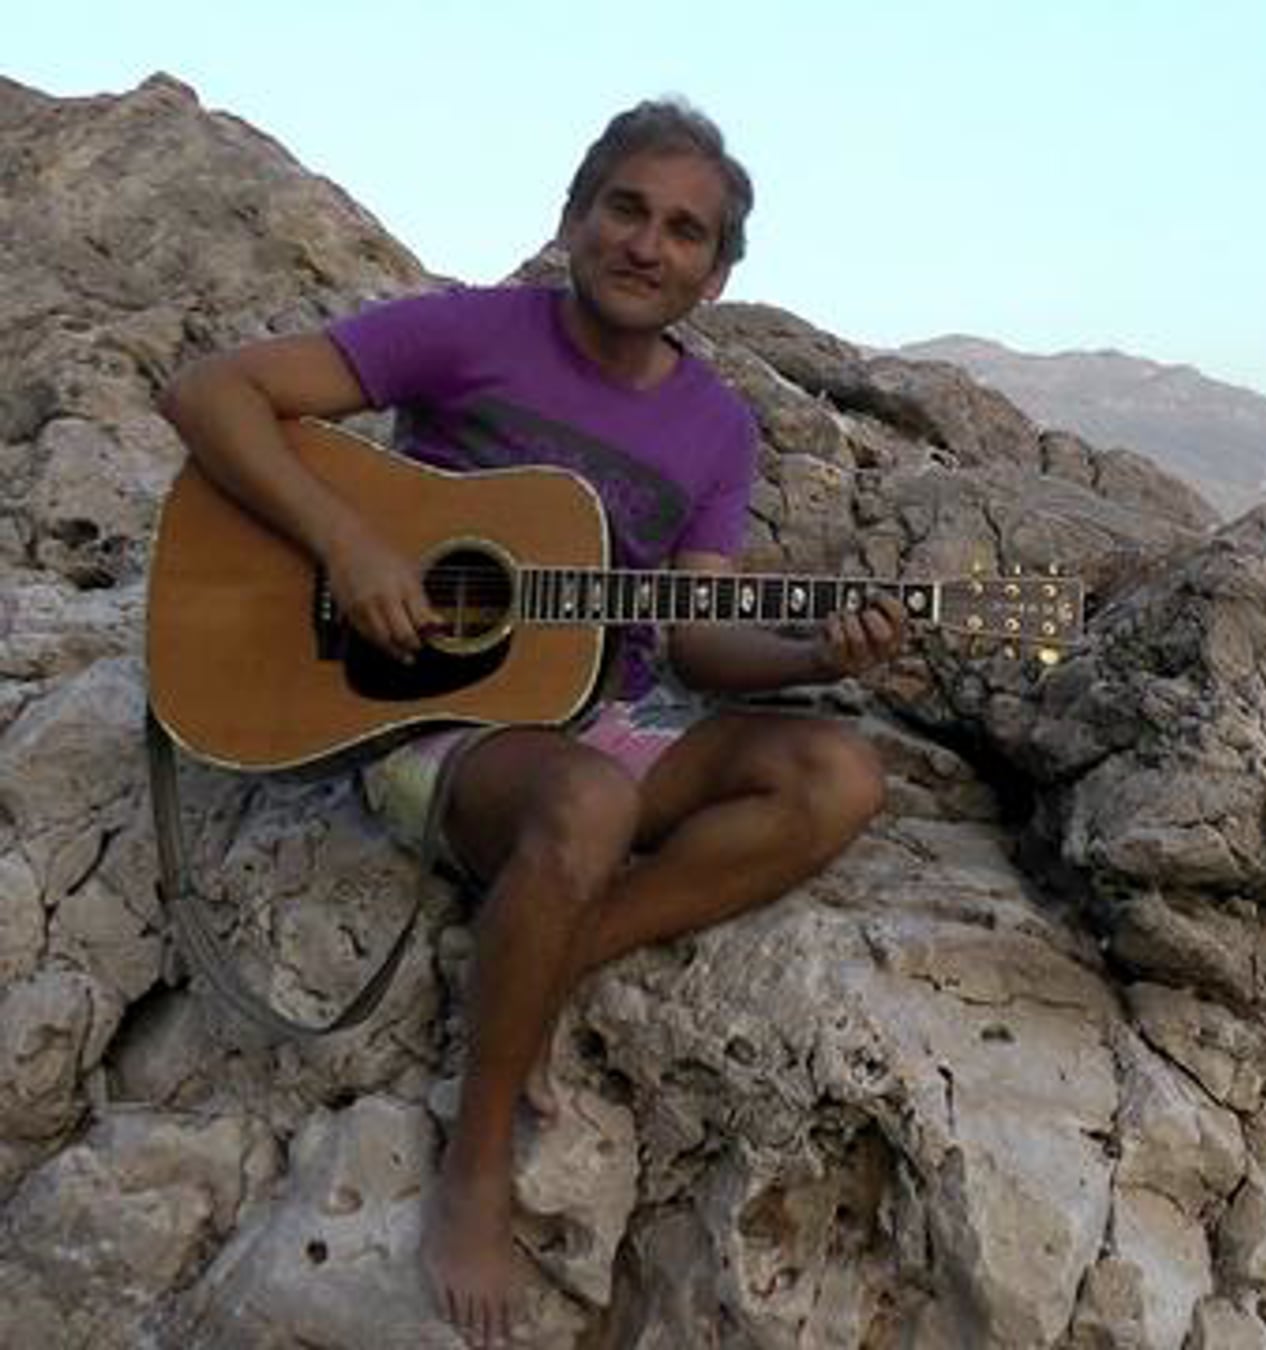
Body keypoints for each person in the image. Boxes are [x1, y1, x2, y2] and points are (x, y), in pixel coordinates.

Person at [159, 99, 905, 1347]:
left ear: (716, 276)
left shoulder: (718, 429)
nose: (646, 245)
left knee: (841, 778)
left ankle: (551, 950)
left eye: (684, 232)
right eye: (626, 209)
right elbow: (208, 393)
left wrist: (815, 654)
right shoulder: (467, 331)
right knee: (590, 805)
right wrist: (348, 544)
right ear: (573, 216)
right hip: (424, 717)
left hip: (603, 716)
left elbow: (695, 635)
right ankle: (478, 1161)